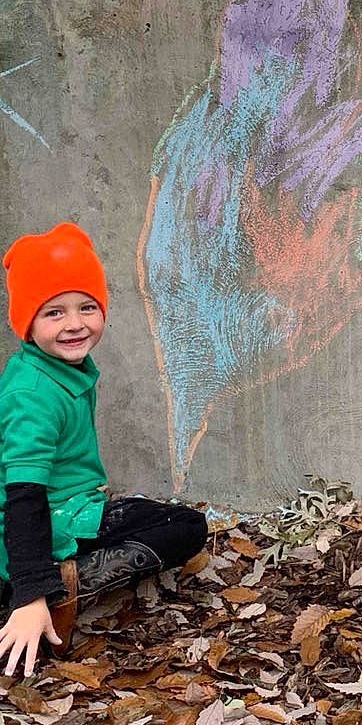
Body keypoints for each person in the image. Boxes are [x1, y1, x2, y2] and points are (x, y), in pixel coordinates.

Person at [0, 222, 208, 676]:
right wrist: (31, 592)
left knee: (173, 519)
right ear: (26, 321)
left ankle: (59, 573)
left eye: (87, 307)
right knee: (186, 526)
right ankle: (56, 589)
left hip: (71, 507)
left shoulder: (59, 367)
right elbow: (23, 494)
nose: (74, 323)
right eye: (53, 312)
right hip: (45, 519)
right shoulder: (32, 394)